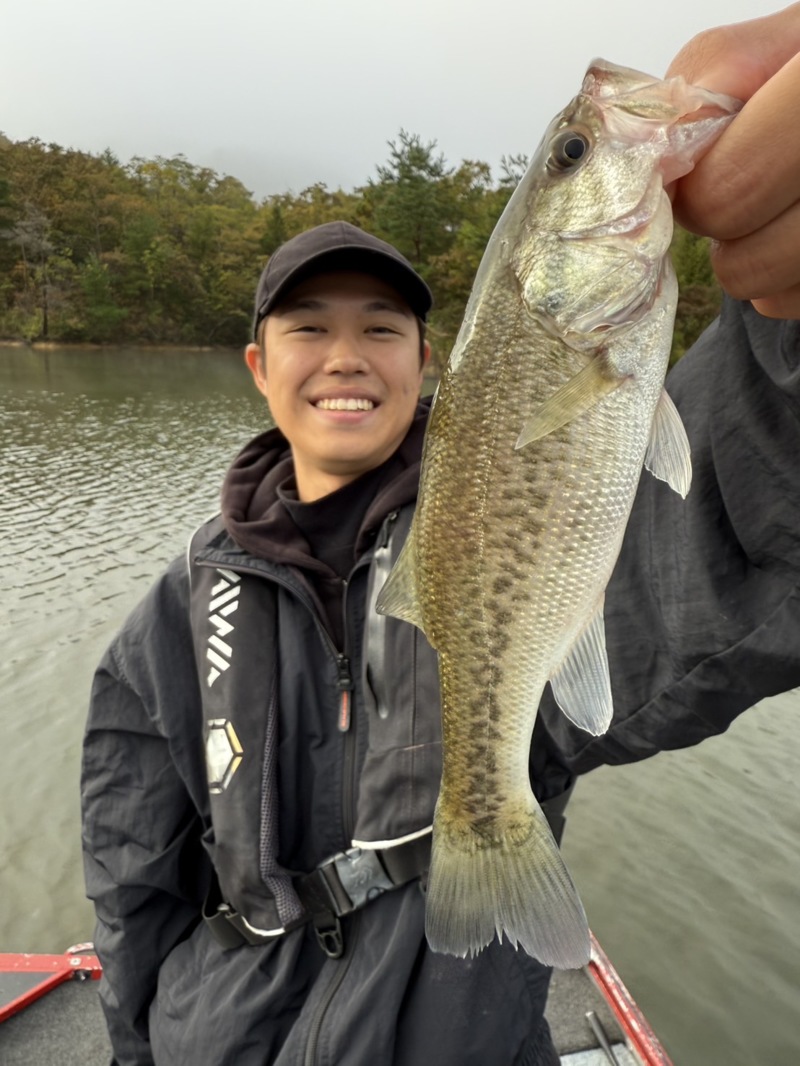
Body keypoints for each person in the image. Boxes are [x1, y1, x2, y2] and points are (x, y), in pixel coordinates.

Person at [81, 7, 800, 1065]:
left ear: (429, 365)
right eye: (308, 327)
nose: (345, 356)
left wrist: (785, 335)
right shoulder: (170, 624)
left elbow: (737, 523)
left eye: (381, 328)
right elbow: (128, 874)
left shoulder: (498, 500)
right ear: (258, 367)